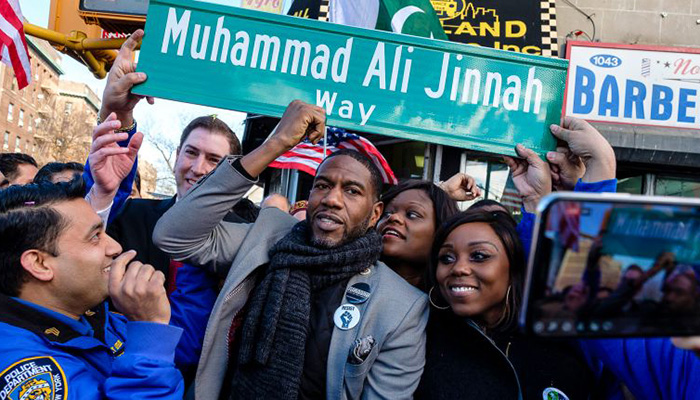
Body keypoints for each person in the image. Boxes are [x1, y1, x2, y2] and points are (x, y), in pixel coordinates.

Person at [153, 100, 428, 400]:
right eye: (322, 185)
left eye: (352, 191)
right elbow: (172, 237)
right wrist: (277, 143)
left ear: (375, 214)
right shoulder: (268, 236)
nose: (332, 199)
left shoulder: (402, 307)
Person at [0, 116, 184, 398]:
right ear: (39, 263)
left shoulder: (88, 314)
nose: (115, 247)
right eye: (95, 236)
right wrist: (150, 335)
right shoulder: (26, 372)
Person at [416, 210, 599, 399]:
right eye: (446, 258)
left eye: (479, 256)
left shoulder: (559, 342)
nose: (458, 268)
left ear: (513, 268)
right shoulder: (418, 336)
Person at [376, 175, 476, 290]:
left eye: (412, 215)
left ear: (439, 233)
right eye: (387, 213)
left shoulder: (450, 298)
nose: (393, 217)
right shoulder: (355, 272)